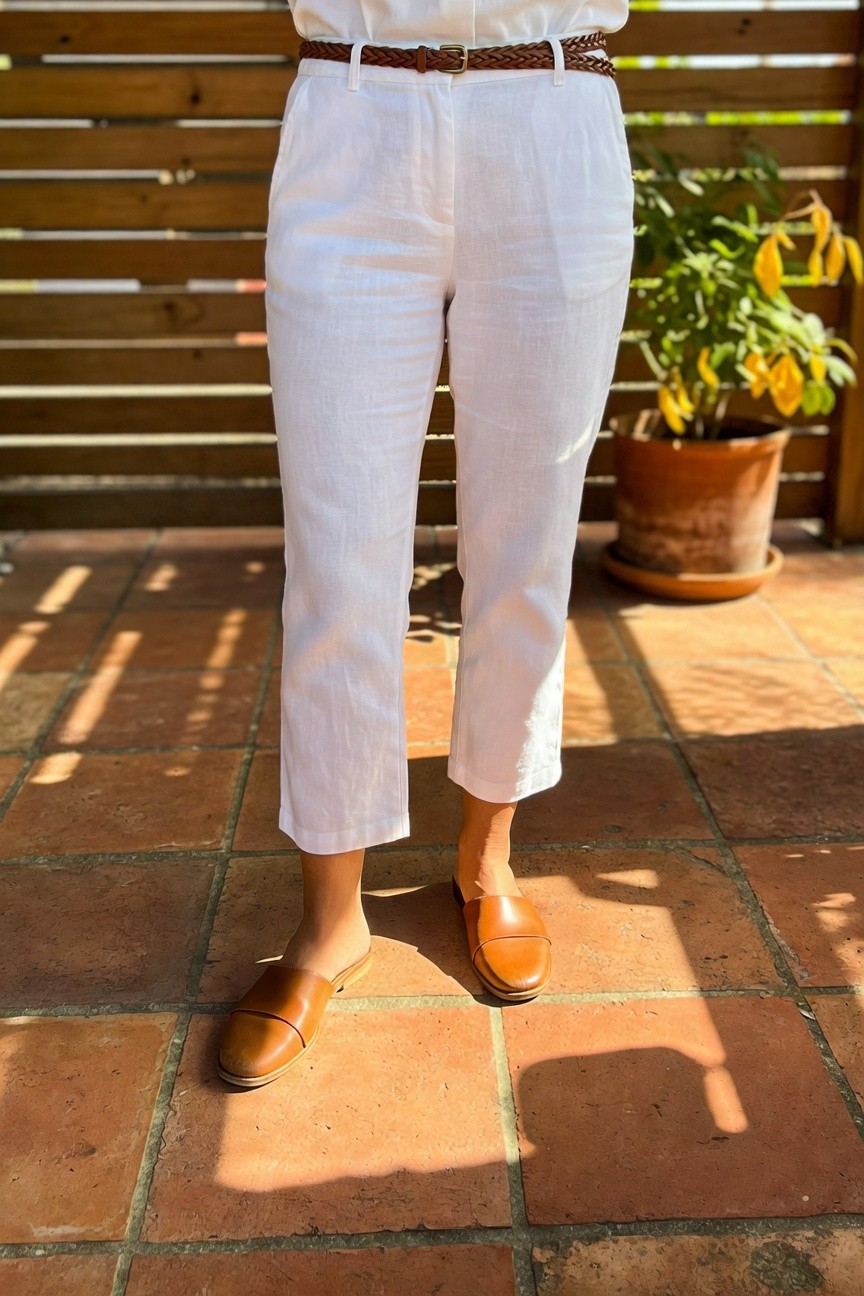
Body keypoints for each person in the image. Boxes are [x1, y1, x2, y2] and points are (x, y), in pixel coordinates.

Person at [217, 0, 634, 1088]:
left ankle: (487, 858)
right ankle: (330, 922)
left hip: (553, 116)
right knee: (337, 552)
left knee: (527, 542)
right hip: (353, 113)